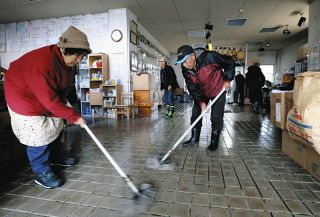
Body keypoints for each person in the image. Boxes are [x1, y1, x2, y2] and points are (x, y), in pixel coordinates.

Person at [4, 26, 91, 189]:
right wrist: (75, 117)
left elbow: (59, 90)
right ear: (66, 50)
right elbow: (50, 101)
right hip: (23, 96)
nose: (79, 60)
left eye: (82, 57)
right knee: (38, 133)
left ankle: (56, 157)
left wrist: (69, 111)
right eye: (78, 56)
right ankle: (41, 172)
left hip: (43, 92)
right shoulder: (43, 64)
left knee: (57, 124)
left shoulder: (65, 61)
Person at [175, 45, 235, 151]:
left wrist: (227, 79)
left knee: (216, 117)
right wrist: (201, 102)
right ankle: (194, 138)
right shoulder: (186, 70)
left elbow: (229, 62)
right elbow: (192, 88)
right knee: (195, 113)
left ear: (192, 56)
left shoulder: (210, 57)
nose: (183, 65)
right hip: (201, 93)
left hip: (218, 89)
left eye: (185, 61)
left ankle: (214, 142)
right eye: (181, 62)